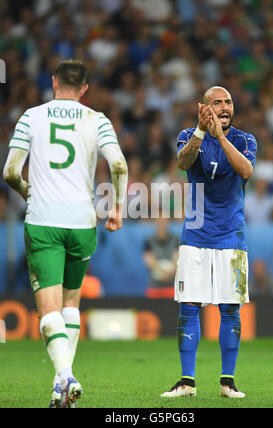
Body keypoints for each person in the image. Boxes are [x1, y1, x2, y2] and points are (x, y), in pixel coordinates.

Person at [3, 60, 128, 408]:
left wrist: (28, 191)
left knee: (49, 310)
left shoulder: (32, 116)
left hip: (44, 220)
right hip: (82, 221)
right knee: (72, 303)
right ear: (85, 89)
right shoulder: (97, 119)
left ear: (54, 82)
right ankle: (61, 387)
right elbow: (118, 164)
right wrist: (117, 207)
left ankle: (65, 377)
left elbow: (10, 172)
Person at [161, 86, 257, 399]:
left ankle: (227, 382)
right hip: (196, 234)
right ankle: (187, 382)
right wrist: (202, 133)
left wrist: (221, 137)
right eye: (218, 102)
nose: (225, 106)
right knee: (189, 306)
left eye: (229, 101)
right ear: (204, 108)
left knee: (230, 308)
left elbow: (246, 170)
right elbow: (183, 163)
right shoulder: (189, 135)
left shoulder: (245, 140)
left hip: (232, 234)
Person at [143, 215, 179, 299]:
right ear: (155, 222)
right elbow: (148, 259)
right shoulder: (149, 240)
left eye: (164, 220)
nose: (161, 223)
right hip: (154, 287)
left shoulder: (175, 239)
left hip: (171, 286)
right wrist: (161, 271)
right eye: (159, 220)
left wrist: (170, 272)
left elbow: (176, 257)